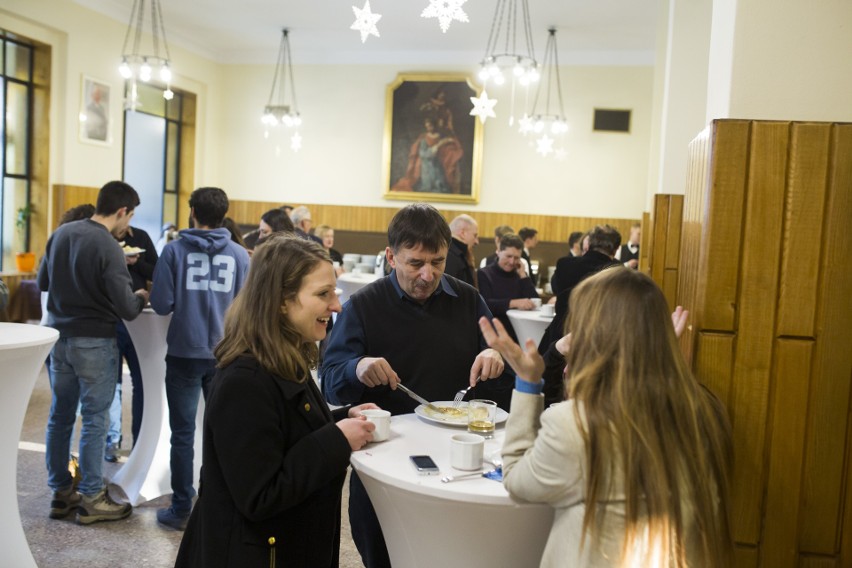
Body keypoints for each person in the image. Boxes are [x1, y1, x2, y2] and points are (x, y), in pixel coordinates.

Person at [479, 268, 732, 567]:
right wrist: (659, 359)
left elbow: (519, 482)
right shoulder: (703, 412)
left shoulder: (576, 424)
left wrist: (527, 385)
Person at [322, 203, 507, 568]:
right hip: (385, 463)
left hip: (460, 459)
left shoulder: (467, 299)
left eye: (437, 262)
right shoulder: (363, 305)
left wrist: (496, 356)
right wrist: (357, 367)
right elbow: (330, 385)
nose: (428, 275)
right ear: (391, 256)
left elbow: (506, 360)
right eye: (415, 263)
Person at [174, 235, 376, 567]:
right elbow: (260, 494)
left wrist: (341, 419)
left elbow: (283, 433)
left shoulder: (284, 356)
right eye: (323, 294)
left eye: (334, 293)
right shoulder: (245, 380)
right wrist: (337, 438)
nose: (337, 306)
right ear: (282, 301)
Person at [38, 181, 148, 524]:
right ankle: (92, 497)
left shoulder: (61, 234)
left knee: (60, 415)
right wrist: (142, 295)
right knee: (96, 419)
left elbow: (43, 281)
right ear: (121, 211)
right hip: (95, 341)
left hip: (60, 338)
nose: (127, 225)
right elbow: (127, 309)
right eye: (128, 217)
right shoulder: (109, 246)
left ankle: (61, 493)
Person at [150, 187, 251, 531]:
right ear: (224, 213)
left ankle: (181, 508)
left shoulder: (173, 251)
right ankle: (217, 505)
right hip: (226, 355)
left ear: (192, 211)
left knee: (182, 434)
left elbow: (161, 304)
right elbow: (248, 309)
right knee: (222, 432)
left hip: (183, 352)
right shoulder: (240, 255)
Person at [105, 223, 158, 461]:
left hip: (140, 319)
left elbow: (157, 272)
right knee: (110, 384)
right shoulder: (103, 238)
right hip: (110, 319)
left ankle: (140, 443)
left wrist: (137, 263)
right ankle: (112, 440)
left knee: (141, 383)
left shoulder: (142, 236)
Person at [541, 224, 621, 353]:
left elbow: (555, 288)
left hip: (560, 335)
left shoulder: (565, 264)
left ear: (589, 244)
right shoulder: (618, 271)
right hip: (597, 341)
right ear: (616, 249)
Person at [477, 233, 539, 343]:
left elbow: (535, 300)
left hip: (520, 334)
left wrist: (523, 276)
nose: (512, 262)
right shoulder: (484, 273)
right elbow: (485, 304)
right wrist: (514, 303)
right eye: (508, 256)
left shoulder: (520, 275)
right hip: (494, 334)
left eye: (516, 258)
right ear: (498, 252)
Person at [391, 117, 464, 194]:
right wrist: (439, 145)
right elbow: (423, 154)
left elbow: (447, 151)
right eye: (427, 126)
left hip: (438, 165)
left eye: (430, 126)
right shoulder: (424, 138)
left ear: (434, 125)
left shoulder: (440, 136)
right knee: (428, 187)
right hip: (427, 166)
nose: (428, 128)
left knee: (440, 186)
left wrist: (448, 144)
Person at [445, 214, 479, 288]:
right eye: (475, 235)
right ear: (463, 233)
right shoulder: (451, 257)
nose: (477, 242)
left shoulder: (453, 253)